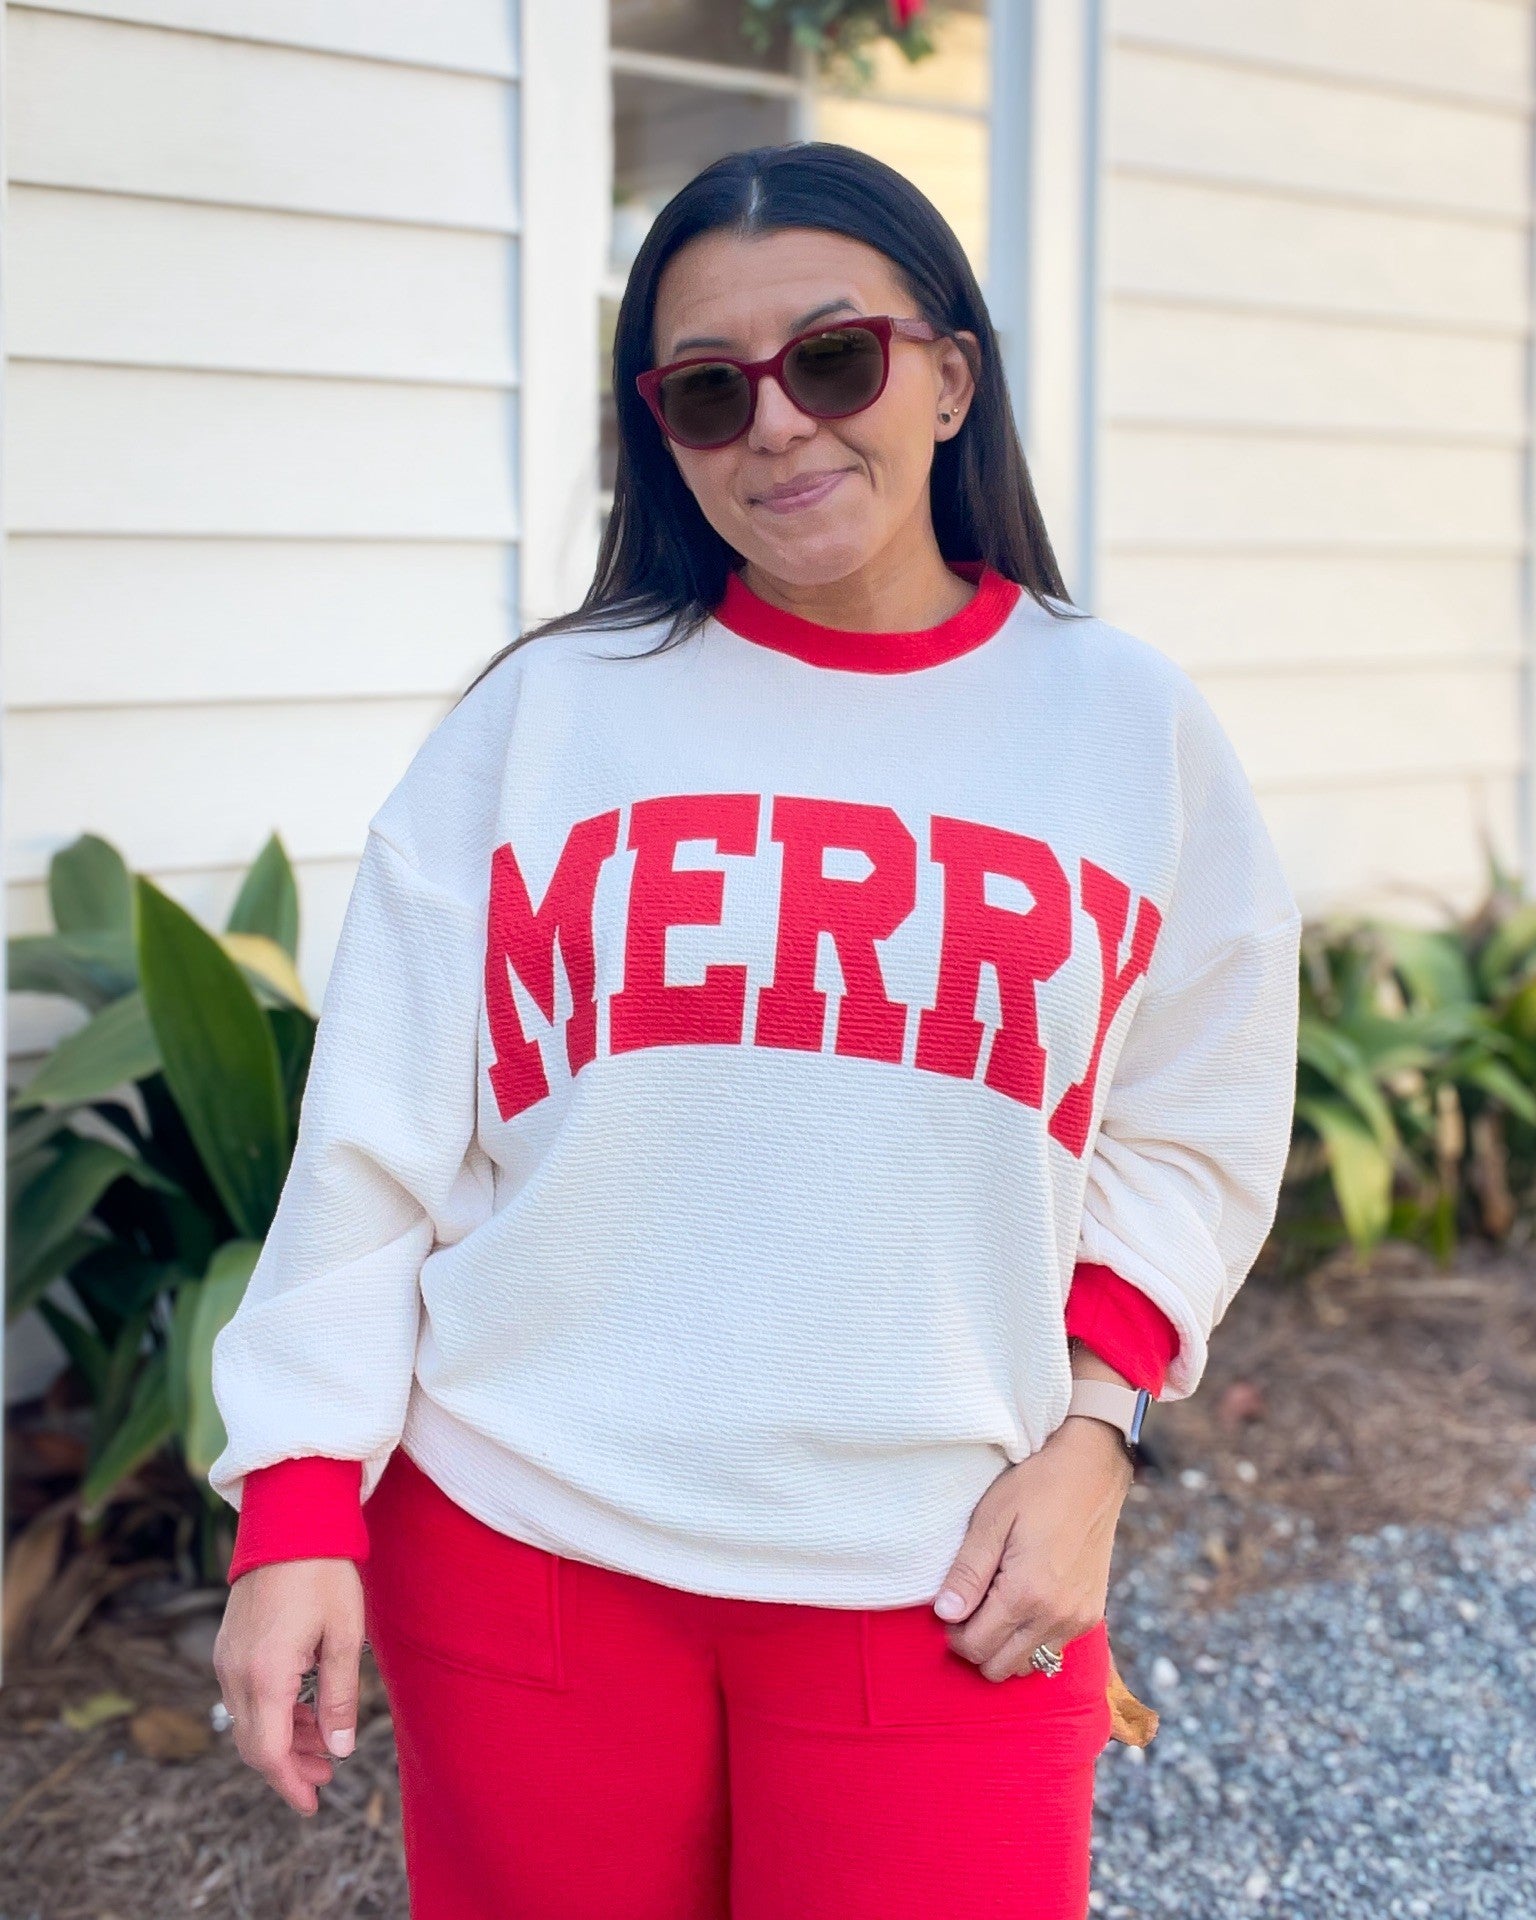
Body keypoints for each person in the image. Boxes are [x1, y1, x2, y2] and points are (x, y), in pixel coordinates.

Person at [209, 141, 1301, 1920]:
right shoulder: (545, 718)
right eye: (711, 391)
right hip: (521, 1546)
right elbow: (373, 1142)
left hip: (947, 1570)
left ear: (950, 377)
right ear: (666, 433)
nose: (779, 423)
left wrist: (1098, 1431)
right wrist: (300, 1509)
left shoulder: (1124, 729)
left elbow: (1198, 1114)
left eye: (836, 360)